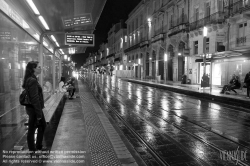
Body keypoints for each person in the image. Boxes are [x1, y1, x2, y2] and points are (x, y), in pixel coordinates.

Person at [22, 61, 47, 155]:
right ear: (34, 69)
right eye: (39, 67)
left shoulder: (31, 79)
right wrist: (39, 113)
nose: (40, 68)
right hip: (34, 109)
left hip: (33, 108)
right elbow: (35, 98)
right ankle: (33, 151)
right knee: (32, 129)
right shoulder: (32, 80)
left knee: (41, 126)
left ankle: (38, 147)